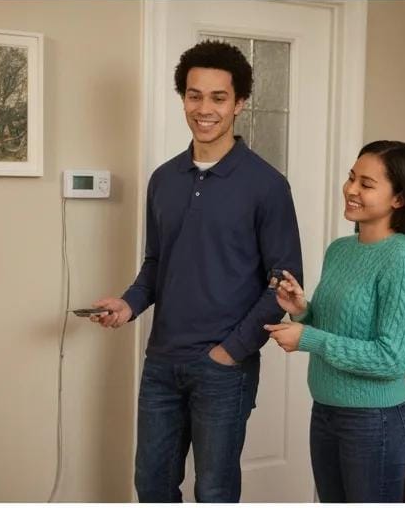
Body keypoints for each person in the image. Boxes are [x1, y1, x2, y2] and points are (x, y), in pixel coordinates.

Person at [89, 40, 303, 503]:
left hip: (224, 369)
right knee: (152, 487)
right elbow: (157, 263)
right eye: (194, 95)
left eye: (218, 97)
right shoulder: (164, 179)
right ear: (183, 97)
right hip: (162, 361)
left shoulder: (267, 184)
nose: (204, 109)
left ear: (239, 102)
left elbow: (282, 284)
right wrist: (128, 304)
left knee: (215, 491)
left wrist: (231, 351)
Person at [265, 140, 405, 502]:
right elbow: (336, 327)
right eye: (351, 178)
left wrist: (308, 338)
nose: (350, 190)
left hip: (376, 420)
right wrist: (301, 309)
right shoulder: (340, 250)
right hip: (326, 409)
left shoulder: (403, 259)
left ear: (399, 199)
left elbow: (394, 358)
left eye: (366, 184)